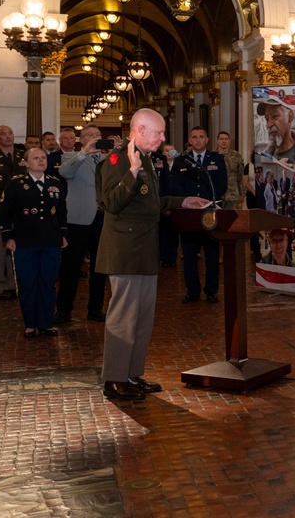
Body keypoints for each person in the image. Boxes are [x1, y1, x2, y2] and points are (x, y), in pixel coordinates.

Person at [96, 108, 206, 401]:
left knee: (142, 318)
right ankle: (114, 379)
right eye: (158, 132)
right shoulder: (119, 160)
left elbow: (151, 202)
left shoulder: (146, 158)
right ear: (140, 130)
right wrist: (131, 171)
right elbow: (111, 202)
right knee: (123, 318)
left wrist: (185, 201)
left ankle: (132, 374)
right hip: (125, 251)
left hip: (144, 250)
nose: (163, 138)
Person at [0, 148, 66, 338]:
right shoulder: (16, 184)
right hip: (24, 242)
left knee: (48, 282)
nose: (41, 161)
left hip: (50, 241)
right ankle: (30, 323)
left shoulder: (55, 183)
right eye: (35, 158)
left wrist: (63, 233)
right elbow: (4, 212)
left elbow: (62, 211)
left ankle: (45, 323)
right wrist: (8, 236)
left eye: (43, 157)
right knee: (28, 283)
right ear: (26, 163)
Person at [54, 125, 108, 324]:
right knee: (70, 267)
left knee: (99, 267)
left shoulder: (105, 159)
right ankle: (64, 310)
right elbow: (65, 173)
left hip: (101, 217)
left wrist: (119, 150)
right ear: (82, 140)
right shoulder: (71, 157)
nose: (96, 138)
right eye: (91, 135)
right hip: (77, 219)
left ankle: (95, 309)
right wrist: (83, 154)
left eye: (98, 135)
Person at [172, 127, 227, 304]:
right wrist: (189, 200)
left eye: (201, 137)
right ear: (189, 139)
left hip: (209, 210)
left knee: (211, 253)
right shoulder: (181, 161)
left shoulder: (216, 159)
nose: (197, 140)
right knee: (189, 254)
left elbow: (222, 184)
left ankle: (211, 291)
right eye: (194, 137)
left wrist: (206, 200)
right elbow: (176, 184)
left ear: (207, 139)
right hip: (189, 213)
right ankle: (192, 291)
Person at [0, 125, 25, 300]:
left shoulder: (22, 157)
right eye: (3, 134)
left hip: (19, 213)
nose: (8, 137)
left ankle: (13, 284)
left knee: (16, 250)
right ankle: (0, 286)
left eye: (10, 133)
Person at [258, 96, 295, 167]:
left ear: (290, 116)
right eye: (267, 119)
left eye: (275, 116)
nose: (269, 124)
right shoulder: (263, 159)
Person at [217, 131, 246, 210]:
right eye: (221, 139)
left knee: (233, 219)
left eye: (226, 139)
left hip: (233, 196)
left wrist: (242, 194)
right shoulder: (213, 156)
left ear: (229, 141)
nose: (224, 141)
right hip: (217, 196)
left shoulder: (236, 156)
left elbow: (240, 177)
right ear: (218, 141)